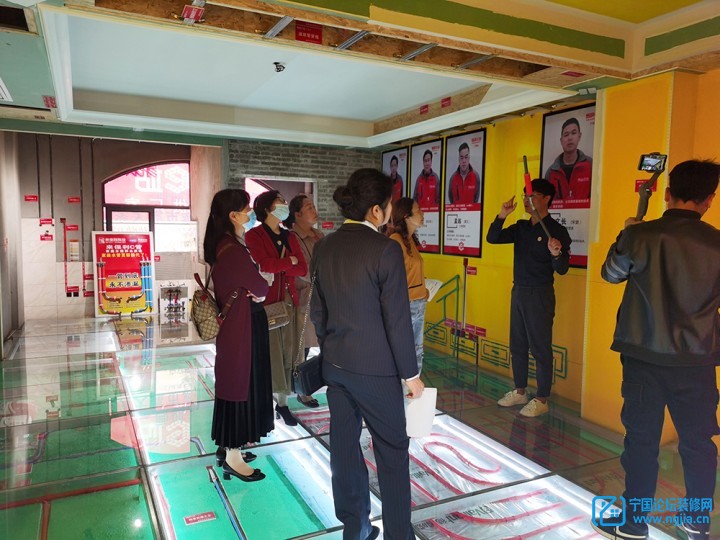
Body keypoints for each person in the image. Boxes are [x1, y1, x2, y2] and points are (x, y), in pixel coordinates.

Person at [593, 160, 720, 540]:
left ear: (666, 194)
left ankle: (634, 523)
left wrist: (626, 233)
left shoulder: (639, 235)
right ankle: (696, 520)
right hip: (697, 362)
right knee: (698, 444)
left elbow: (610, 274)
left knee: (641, 442)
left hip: (642, 358)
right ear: (709, 200)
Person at [311, 168, 424, 540]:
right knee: (392, 453)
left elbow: (318, 310)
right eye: (388, 205)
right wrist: (411, 375)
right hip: (377, 373)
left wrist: (331, 350)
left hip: (336, 367)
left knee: (344, 450)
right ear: (377, 210)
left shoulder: (324, 245)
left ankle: (356, 528)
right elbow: (397, 319)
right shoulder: (385, 249)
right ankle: (398, 535)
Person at [204, 188, 273, 482]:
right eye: (247, 209)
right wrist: (259, 288)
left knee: (235, 384)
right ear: (233, 216)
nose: (251, 214)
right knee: (239, 386)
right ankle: (233, 456)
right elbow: (261, 286)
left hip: (238, 327)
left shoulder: (225, 245)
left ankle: (228, 447)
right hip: (242, 329)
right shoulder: (232, 250)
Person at [486, 178, 571, 417]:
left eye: (532, 196)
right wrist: (502, 215)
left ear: (546, 199)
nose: (526, 200)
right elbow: (493, 238)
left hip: (540, 294)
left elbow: (562, 268)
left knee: (540, 348)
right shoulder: (522, 227)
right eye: (525, 195)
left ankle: (542, 398)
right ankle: (520, 391)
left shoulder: (556, 231)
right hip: (519, 291)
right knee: (518, 344)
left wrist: (556, 254)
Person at [246, 190, 308, 427]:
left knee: (289, 354)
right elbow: (264, 265)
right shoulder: (254, 235)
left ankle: (283, 405)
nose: (284, 204)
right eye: (280, 201)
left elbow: (302, 268)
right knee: (269, 354)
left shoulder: (289, 236)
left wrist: (283, 265)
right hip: (268, 304)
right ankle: (264, 403)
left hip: (289, 301)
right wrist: (288, 262)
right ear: (267, 208)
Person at [285, 194, 323, 408]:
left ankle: (312, 383)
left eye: (313, 206)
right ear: (297, 214)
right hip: (303, 299)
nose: (314, 210)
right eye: (309, 207)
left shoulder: (319, 235)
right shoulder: (293, 238)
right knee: (302, 347)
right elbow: (300, 270)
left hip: (322, 296)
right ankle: (302, 389)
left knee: (321, 342)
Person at [387, 197, 428, 373]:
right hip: (407, 306)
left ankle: (412, 385)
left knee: (417, 351)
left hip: (418, 303)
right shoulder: (395, 241)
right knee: (406, 351)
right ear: (406, 216)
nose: (422, 214)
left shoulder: (410, 240)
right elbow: (393, 279)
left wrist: (423, 290)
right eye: (418, 210)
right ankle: (405, 385)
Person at [543, 117, 592, 200]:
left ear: (579, 136)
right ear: (561, 140)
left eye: (573, 133)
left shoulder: (591, 165)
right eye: (566, 135)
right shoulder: (551, 171)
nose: (570, 138)